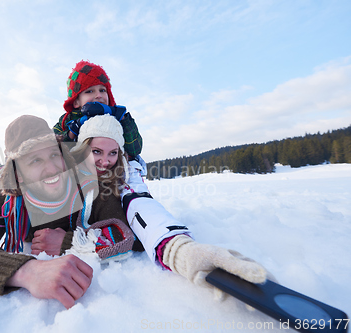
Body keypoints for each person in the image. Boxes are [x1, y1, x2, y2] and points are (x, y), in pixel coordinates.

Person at [0, 114, 139, 309]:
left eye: (54, 155)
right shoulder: (10, 200)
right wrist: (26, 271)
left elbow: (124, 235)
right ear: (17, 173)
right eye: (35, 160)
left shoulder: (90, 185)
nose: (52, 167)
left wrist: (69, 242)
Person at [67, 114, 270, 295]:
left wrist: (180, 250)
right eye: (96, 151)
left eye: (113, 153)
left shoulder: (119, 183)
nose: (105, 161)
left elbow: (139, 210)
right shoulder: (62, 178)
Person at [53, 60, 143, 161]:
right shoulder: (67, 120)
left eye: (102, 90)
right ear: (76, 102)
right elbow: (51, 148)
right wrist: (72, 131)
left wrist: (123, 119)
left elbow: (135, 149)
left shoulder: (117, 119)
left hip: (112, 171)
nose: (98, 95)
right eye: (89, 91)